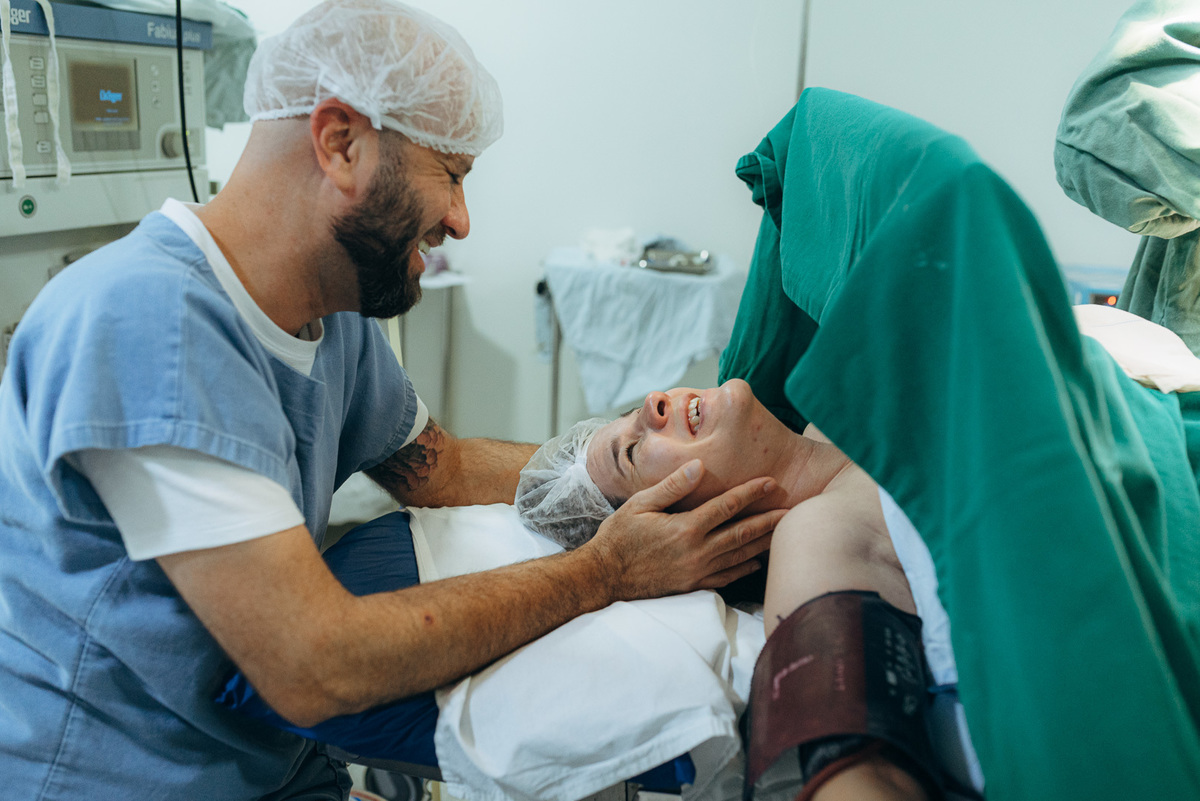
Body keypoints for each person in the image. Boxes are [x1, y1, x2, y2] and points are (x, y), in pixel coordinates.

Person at [0, 2, 782, 798]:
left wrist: (617, 463)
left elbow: (443, 469)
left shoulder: (327, 313)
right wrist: (604, 571)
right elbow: (316, 665)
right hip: (125, 776)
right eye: (453, 175)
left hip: (272, 763)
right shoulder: (147, 328)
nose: (461, 220)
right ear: (341, 143)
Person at [516, 379, 986, 801]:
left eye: (629, 416)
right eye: (633, 452)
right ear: (684, 531)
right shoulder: (816, 542)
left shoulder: (830, 408)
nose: (653, 402)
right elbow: (858, 778)